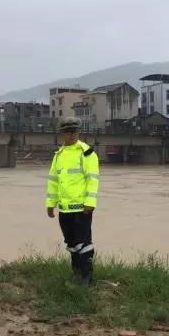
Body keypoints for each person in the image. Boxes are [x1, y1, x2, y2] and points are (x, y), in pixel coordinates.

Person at [45, 117, 100, 285]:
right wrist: (50, 204)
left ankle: (87, 278)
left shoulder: (86, 152)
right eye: (68, 132)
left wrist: (90, 202)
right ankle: (76, 274)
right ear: (62, 134)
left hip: (81, 209)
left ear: (78, 132)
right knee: (71, 243)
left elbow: (92, 179)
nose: (71, 135)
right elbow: (53, 181)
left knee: (84, 244)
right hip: (64, 209)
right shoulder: (59, 155)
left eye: (74, 131)